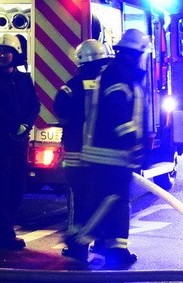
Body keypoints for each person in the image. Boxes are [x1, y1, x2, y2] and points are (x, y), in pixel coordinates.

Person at [79, 29, 150, 269]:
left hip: (116, 152)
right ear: (135, 54)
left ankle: (117, 250)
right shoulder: (119, 74)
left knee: (116, 202)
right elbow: (118, 108)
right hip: (111, 151)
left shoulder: (123, 72)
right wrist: (130, 139)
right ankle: (79, 240)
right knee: (109, 200)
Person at [0, 33, 40, 250]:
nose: (3, 55)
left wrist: (25, 125)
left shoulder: (24, 79)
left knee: (17, 186)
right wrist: (15, 126)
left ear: (15, 54)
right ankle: (3, 235)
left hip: (19, 142)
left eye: (7, 51)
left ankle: (8, 229)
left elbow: (34, 105)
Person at [53, 38, 111, 263]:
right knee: (101, 198)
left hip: (76, 153)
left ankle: (78, 246)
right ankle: (103, 242)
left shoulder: (70, 87)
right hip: (100, 155)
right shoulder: (106, 85)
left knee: (78, 199)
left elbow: (60, 110)